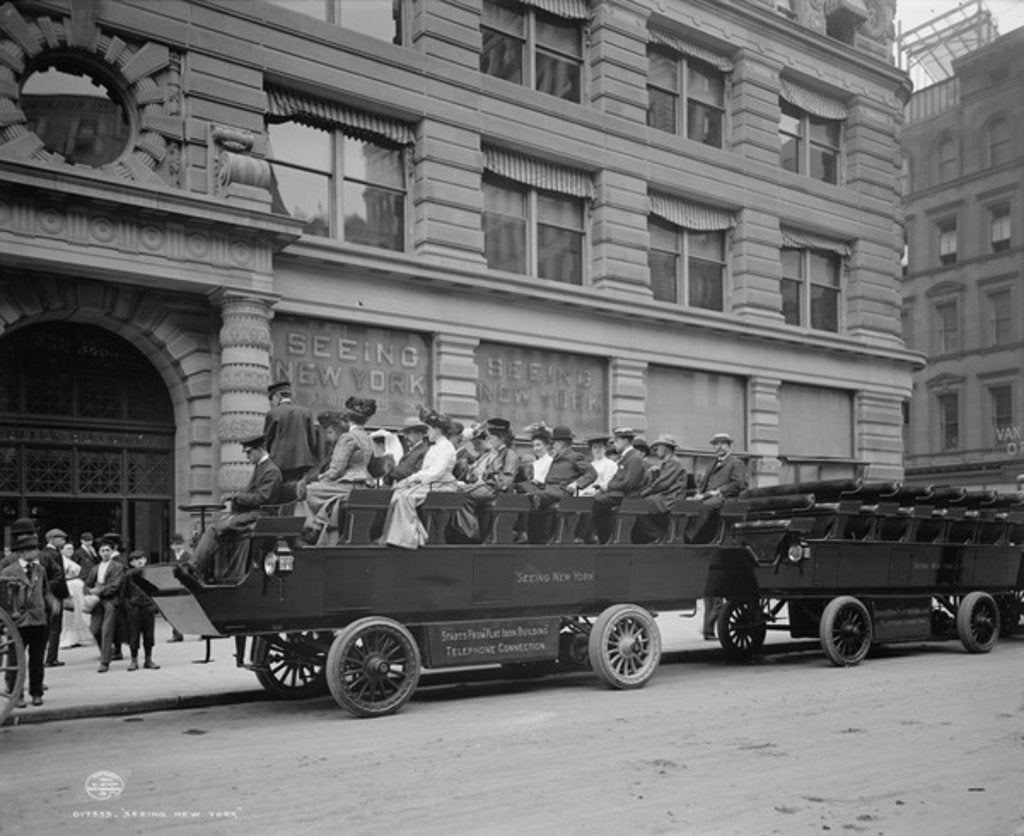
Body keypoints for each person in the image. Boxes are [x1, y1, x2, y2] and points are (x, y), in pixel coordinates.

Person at [189, 434, 284, 583]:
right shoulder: (261, 468)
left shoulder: (271, 471)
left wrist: (237, 498)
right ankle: (206, 572)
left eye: (248, 452)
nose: (247, 456)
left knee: (214, 529)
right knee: (214, 528)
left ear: (260, 449)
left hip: (261, 515)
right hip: (252, 514)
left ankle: (194, 569)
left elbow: (263, 498)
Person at [688, 432, 749, 639]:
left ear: (730, 446)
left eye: (723, 444)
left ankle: (691, 537)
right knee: (691, 505)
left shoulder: (736, 463)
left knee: (703, 507)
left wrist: (718, 492)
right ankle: (708, 629)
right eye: (716, 444)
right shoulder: (712, 465)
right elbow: (703, 487)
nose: (719, 447)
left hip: (724, 505)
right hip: (709, 505)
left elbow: (738, 485)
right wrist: (699, 492)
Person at [297, 397, 376, 545]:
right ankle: (320, 523)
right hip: (365, 484)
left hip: (349, 484)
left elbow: (336, 471)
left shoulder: (348, 437)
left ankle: (311, 528)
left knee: (306, 491)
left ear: (348, 417)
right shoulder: (367, 437)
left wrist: (319, 478)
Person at [380, 407, 458, 549]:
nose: (427, 432)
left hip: (442, 485)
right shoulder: (435, 447)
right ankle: (395, 536)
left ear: (437, 430)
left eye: (429, 429)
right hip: (432, 483)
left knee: (406, 497)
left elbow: (436, 472)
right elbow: (426, 471)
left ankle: (412, 537)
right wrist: (406, 482)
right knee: (398, 494)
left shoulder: (446, 447)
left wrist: (410, 480)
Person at [1, 518, 57, 707]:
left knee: (37, 659)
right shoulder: (9, 570)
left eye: (36, 548)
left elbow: (46, 590)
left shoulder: (40, 569)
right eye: (32, 549)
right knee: (16, 659)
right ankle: (16, 694)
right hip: (18, 622)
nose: (36, 552)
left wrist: (52, 603)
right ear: (23, 552)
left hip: (38, 619)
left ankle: (36, 692)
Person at [520, 425, 596, 543]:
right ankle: (531, 536)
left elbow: (591, 473)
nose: (552, 446)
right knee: (521, 487)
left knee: (533, 496)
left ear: (560, 444)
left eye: (553, 443)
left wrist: (575, 484)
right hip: (548, 489)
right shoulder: (556, 458)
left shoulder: (575, 456)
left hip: (562, 491)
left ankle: (531, 534)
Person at [453, 418, 519, 542]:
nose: (490, 441)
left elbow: (505, 481)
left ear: (502, 439)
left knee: (461, 495)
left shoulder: (510, 454)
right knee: (453, 490)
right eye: (490, 438)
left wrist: (483, 482)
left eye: (493, 438)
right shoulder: (492, 454)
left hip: (494, 490)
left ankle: (472, 533)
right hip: (484, 487)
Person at [591, 427, 647, 543]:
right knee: (592, 499)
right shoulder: (626, 458)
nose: (614, 444)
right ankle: (602, 537)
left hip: (628, 497)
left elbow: (628, 483)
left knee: (595, 502)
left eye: (617, 441)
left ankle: (603, 538)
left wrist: (608, 487)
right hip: (619, 494)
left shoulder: (634, 458)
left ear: (625, 441)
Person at [631, 434, 688, 544]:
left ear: (665, 448)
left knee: (637, 506)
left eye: (658, 447)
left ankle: (658, 536)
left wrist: (642, 494)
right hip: (665, 497)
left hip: (670, 499)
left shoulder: (674, 461)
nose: (655, 450)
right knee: (637, 504)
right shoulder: (667, 462)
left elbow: (661, 484)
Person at [84, 537, 126, 673]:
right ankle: (108, 652)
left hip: (110, 600)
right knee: (95, 629)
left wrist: (99, 590)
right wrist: (90, 592)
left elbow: (116, 585)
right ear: (99, 553)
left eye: (108, 550)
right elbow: (87, 584)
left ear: (112, 551)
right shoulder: (95, 568)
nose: (105, 553)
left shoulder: (117, 567)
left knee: (107, 631)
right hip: (97, 601)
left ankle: (104, 661)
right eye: (102, 551)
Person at [263, 379, 319, 482]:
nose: (272, 403)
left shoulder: (273, 413)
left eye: (272, 399)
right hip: (302, 461)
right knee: (297, 490)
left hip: (280, 462)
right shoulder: (305, 412)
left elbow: (267, 440)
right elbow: (312, 440)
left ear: (277, 396)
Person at [123, 551, 161, 671]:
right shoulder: (128, 575)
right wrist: (128, 605)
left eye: (142, 558)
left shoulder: (151, 574)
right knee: (134, 635)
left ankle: (148, 659)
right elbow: (123, 593)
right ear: (131, 563)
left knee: (149, 635)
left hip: (148, 607)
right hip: (134, 608)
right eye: (136, 559)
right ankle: (134, 660)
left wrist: (155, 605)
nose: (139, 561)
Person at [40, 528, 70, 668]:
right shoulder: (54, 555)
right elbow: (59, 578)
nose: (63, 542)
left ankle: (43, 656)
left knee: (46, 626)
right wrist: (62, 594)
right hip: (54, 595)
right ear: (52, 539)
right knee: (55, 627)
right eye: (61, 539)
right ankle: (51, 658)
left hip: (44, 595)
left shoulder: (42, 554)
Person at [59, 541, 91, 648]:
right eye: (67, 548)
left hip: (77, 586)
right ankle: (68, 639)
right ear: (62, 550)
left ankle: (80, 637)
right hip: (69, 586)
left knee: (79, 612)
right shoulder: (61, 561)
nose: (70, 551)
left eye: (71, 549)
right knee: (69, 614)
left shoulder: (71, 560)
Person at [385, 416, 431, 485]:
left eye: (408, 433)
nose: (405, 437)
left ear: (419, 433)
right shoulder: (409, 453)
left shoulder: (425, 451)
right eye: (404, 434)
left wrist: (392, 470)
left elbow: (412, 473)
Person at [166, 534, 190, 642]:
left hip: (186, 586)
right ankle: (177, 633)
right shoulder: (170, 557)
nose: (178, 547)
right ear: (171, 546)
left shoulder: (188, 557)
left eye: (179, 544)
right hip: (174, 586)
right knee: (175, 611)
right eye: (175, 545)